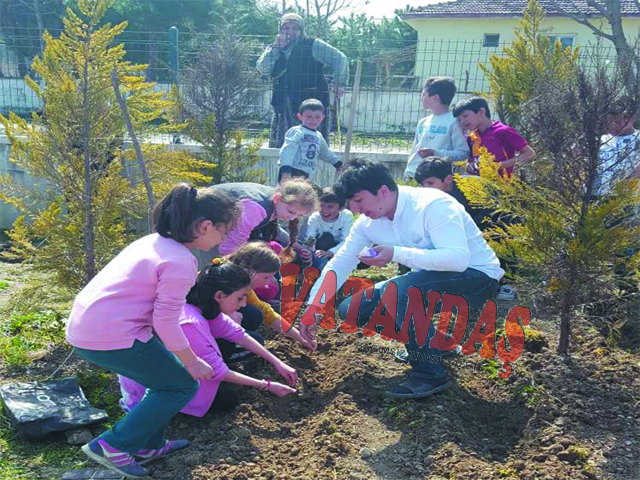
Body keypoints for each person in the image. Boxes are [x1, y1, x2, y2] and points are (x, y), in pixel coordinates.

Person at [65, 183, 240, 478]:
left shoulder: (155, 242)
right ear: (205, 226)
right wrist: (192, 360)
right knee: (182, 384)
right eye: (223, 231)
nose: (224, 238)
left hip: (91, 326)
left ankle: (148, 445)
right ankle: (113, 445)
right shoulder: (180, 261)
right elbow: (166, 321)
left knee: (167, 381)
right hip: (111, 334)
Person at [300, 159, 504, 398]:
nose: (355, 209)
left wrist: (396, 253)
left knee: (398, 292)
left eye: (358, 200)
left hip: (477, 279)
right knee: (353, 308)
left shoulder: (433, 205)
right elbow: (341, 262)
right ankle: (439, 344)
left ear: (383, 191)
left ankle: (429, 374)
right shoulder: (368, 223)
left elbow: (457, 259)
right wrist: (314, 306)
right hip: (428, 280)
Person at [119, 263, 297, 418]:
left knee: (243, 347)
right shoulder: (189, 323)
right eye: (240, 297)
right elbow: (217, 372)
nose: (243, 304)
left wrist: (278, 363)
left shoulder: (205, 305)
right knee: (229, 399)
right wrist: (266, 385)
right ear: (220, 295)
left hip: (178, 367)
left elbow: (238, 333)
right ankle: (155, 409)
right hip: (151, 384)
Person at [257, 12, 349, 148]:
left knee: (310, 146)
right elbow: (262, 68)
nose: (290, 32)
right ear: (280, 30)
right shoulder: (276, 48)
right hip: (284, 103)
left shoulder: (313, 44)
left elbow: (340, 59)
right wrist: (276, 48)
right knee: (285, 147)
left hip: (310, 104)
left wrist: (339, 83)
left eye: (295, 28)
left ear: (301, 30)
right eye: (286, 28)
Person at [193, 180, 319, 268]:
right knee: (208, 269)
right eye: (291, 212)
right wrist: (232, 266)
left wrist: (297, 247)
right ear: (277, 198)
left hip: (217, 228)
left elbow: (278, 232)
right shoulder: (257, 208)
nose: (291, 217)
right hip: (199, 224)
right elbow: (231, 244)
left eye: (298, 215)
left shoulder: (276, 202)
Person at [224, 242, 315, 352]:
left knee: (255, 313)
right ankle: (223, 353)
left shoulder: (243, 286)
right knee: (256, 342)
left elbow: (268, 314)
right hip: (202, 335)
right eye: (266, 277)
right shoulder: (223, 282)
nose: (267, 285)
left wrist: (301, 338)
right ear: (251, 272)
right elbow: (202, 309)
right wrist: (224, 315)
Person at [453, 96, 536, 177]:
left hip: (504, 186)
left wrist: (498, 166)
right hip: (479, 186)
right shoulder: (471, 138)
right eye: (459, 119)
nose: (462, 122)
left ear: (481, 111)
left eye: (465, 116)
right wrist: (470, 166)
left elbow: (530, 154)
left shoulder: (502, 131)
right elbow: (471, 162)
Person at [404, 76, 470, 179]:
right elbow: (414, 151)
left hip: (435, 180)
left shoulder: (455, 121)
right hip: (413, 175)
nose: (421, 98)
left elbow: (463, 153)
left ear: (435, 97)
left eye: (424, 94)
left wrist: (435, 153)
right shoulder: (423, 122)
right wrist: (408, 171)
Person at [414, 157, 491, 231]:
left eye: (430, 183)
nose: (424, 189)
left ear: (448, 179)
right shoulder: (423, 197)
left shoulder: (474, 187)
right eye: (421, 184)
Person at [278, 99, 343, 183]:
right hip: (292, 171)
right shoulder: (297, 131)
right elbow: (287, 150)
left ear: (323, 117)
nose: (313, 120)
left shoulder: (318, 136)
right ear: (300, 116)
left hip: (305, 174)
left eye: (317, 117)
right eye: (309, 117)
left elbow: (325, 152)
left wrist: (337, 163)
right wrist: (286, 172)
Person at [297, 187, 354, 271]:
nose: (324, 210)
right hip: (320, 248)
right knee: (325, 239)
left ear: (341, 208)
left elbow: (346, 240)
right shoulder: (315, 217)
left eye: (330, 206)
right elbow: (310, 238)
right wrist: (309, 251)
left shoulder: (346, 216)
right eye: (322, 205)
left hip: (337, 248)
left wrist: (331, 252)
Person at [597, 101, 640, 195]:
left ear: (631, 119)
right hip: (602, 196)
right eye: (608, 123)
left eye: (617, 122)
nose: (612, 126)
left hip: (631, 196)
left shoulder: (638, 138)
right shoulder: (602, 140)